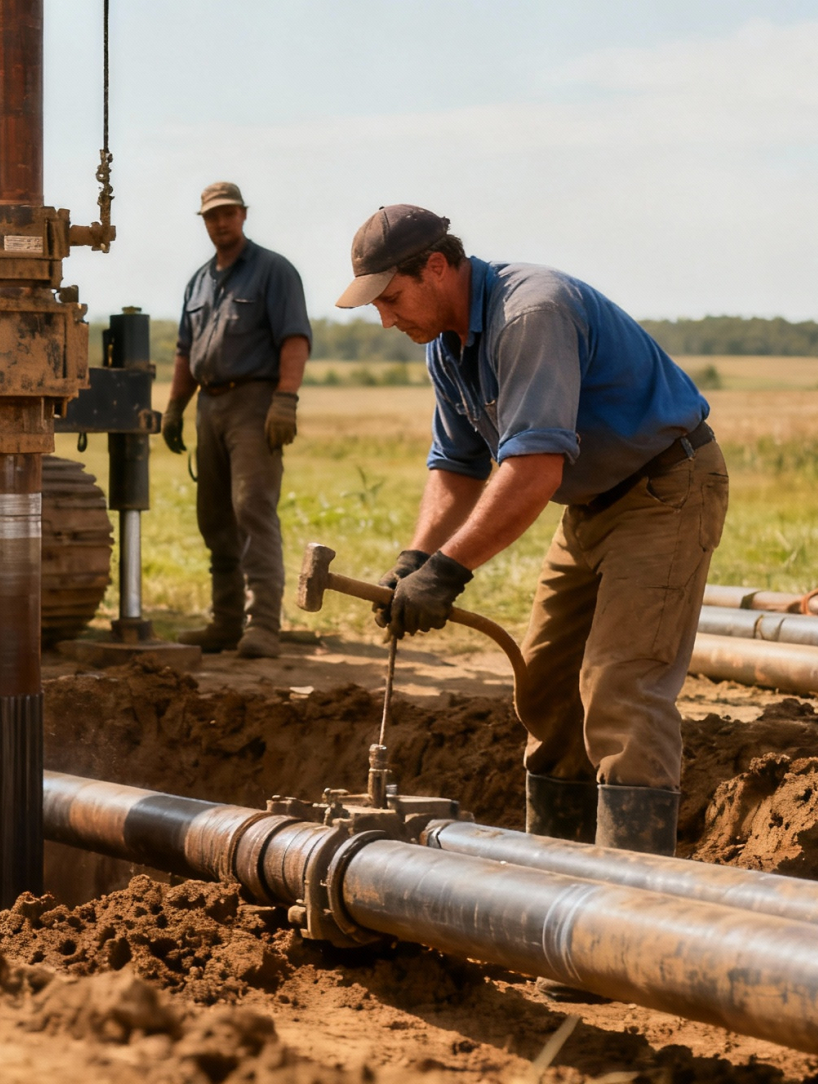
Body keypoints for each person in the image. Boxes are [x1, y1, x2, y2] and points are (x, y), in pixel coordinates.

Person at [337, 203, 726, 857]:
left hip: (665, 489)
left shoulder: (531, 315)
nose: (385, 317)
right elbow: (458, 467)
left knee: (619, 686)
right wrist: (416, 556)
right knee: (545, 686)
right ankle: (554, 880)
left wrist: (449, 570)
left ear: (437, 267)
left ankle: (631, 901)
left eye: (392, 298)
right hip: (592, 505)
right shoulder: (448, 348)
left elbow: (533, 470)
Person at [161, 182, 313, 659]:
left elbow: (294, 338)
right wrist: (174, 408)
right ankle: (225, 622)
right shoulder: (200, 281)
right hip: (210, 405)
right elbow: (186, 351)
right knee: (215, 518)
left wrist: (285, 399)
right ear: (203, 222)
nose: (221, 223)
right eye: (211, 216)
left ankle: (263, 627)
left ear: (244, 215)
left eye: (228, 214)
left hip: (254, 404)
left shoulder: (273, 271)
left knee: (252, 510)